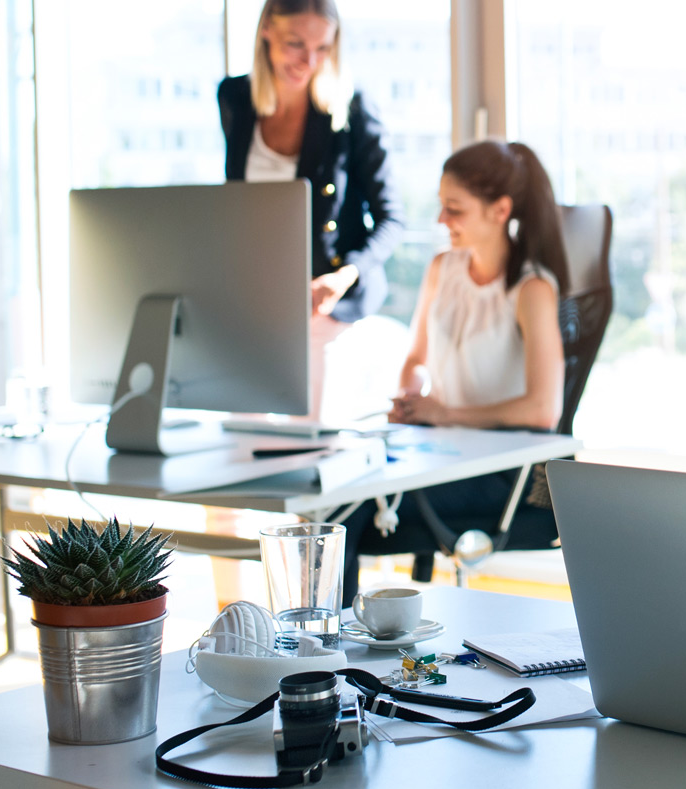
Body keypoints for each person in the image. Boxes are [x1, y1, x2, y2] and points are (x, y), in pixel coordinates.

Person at [339, 140, 569, 602]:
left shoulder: (531, 289)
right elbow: (415, 359)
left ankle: (322, 653)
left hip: (504, 471)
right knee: (335, 490)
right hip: (439, 453)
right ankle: (321, 647)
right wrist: (410, 400)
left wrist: (446, 414)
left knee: (345, 515)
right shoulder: (443, 268)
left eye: (454, 209)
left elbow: (544, 409)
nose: (441, 221)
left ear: (499, 210)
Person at [218, 0, 400, 420]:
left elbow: (392, 219)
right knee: (241, 440)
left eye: (323, 48)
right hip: (257, 298)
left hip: (327, 302)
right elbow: (237, 204)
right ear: (266, 30)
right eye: (295, 44)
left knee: (313, 444)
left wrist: (344, 275)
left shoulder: (351, 110)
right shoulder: (235, 98)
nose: (310, 60)